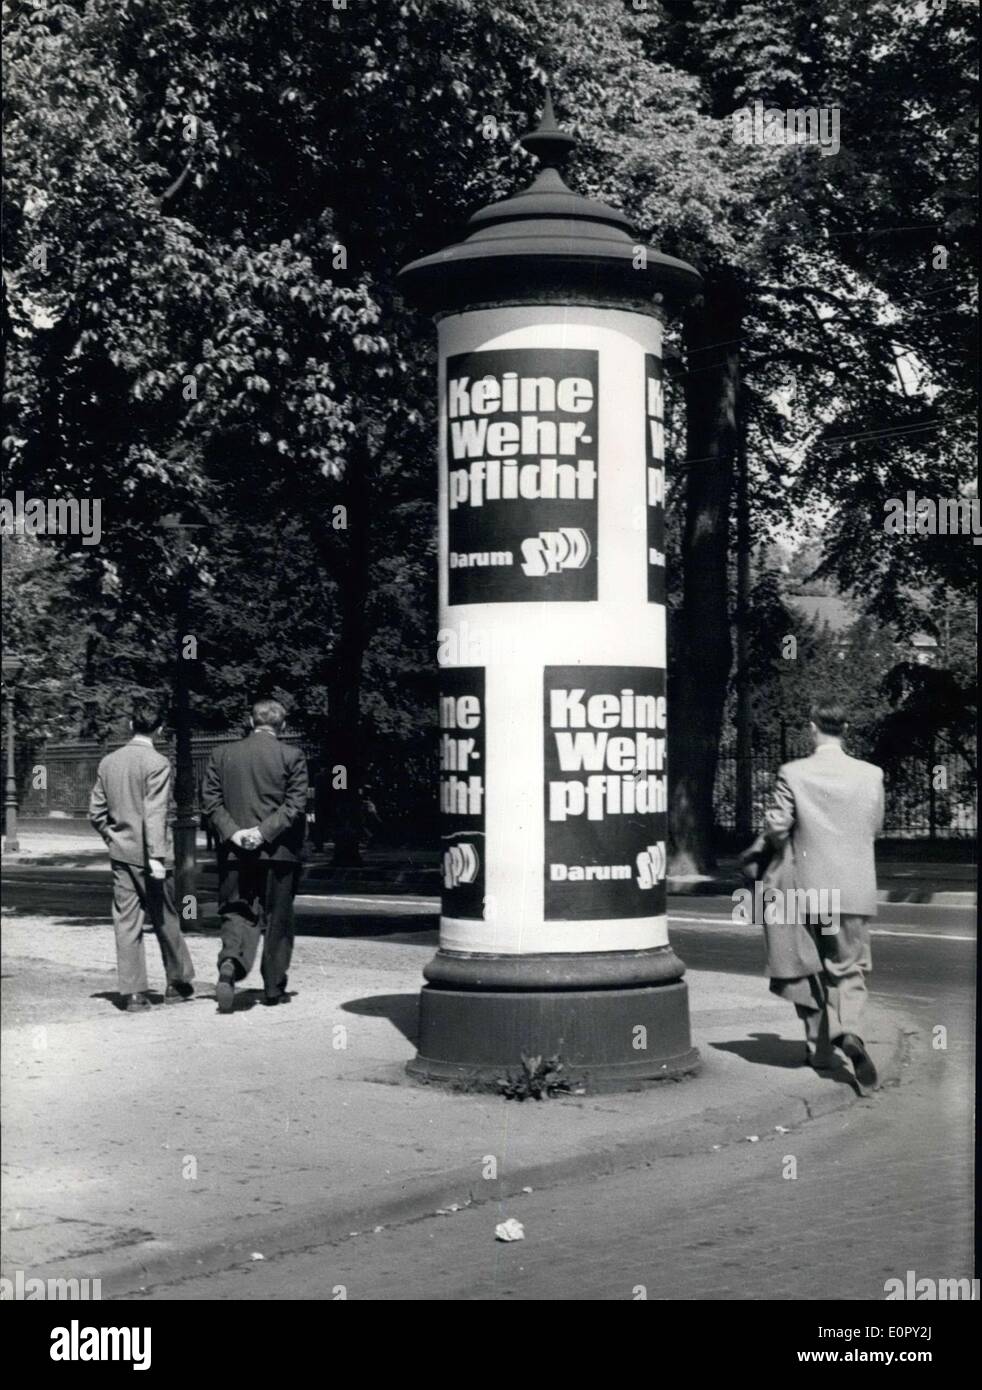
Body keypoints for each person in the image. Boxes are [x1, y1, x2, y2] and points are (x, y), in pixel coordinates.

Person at [763, 703, 885, 1089]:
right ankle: (850, 1033)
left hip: (806, 889)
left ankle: (819, 1050)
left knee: (806, 966)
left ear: (812, 728)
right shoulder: (871, 774)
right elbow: (875, 826)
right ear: (845, 727)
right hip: (853, 889)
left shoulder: (793, 772)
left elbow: (778, 827)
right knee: (847, 968)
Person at [201, 698, 308, 1012]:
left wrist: (235, 833)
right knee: (278, 918)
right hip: (280, 852)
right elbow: (295, 805)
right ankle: (273, 987)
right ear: (282, 726)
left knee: (237, 909)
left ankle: (231, 962)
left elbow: (210, 800)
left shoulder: (222, 755)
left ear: (250, 721)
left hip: (236, 851)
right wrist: (263, 833)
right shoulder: (293, 756)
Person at [88, 699, 195, 1012]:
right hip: (151, 856)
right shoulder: (158, 763)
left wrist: (114, 837)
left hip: (121, 853)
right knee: (165, 917)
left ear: (132, 726)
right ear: (160, 729)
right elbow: (155, 813)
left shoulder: (109, 762)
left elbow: (96, 812)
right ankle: (177, 982)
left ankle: (133, 993)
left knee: (126, 920)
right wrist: (156, 858)